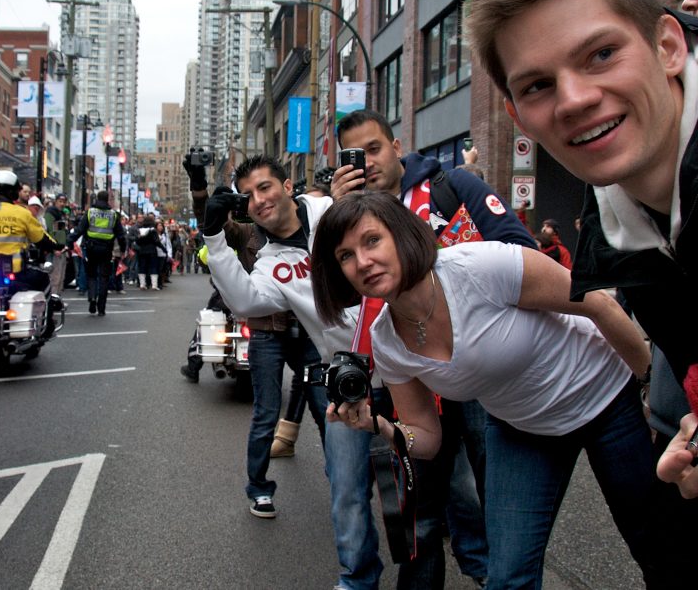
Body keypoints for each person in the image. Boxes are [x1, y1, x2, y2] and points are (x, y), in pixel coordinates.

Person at [465, 0, 698, 557]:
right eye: (538, 84)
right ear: (518, 117)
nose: (574, 99)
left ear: (668, 45)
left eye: (601, 54)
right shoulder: (611, 220)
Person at [312, 191, 658, 588]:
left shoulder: (480, 265)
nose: (363, 262)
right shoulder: (387, 342)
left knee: (656, 546)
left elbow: (598, 304)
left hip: (607, 400)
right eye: (345, 256)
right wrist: (377, 425)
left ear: (401, 235)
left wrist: (651, 394)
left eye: (372, 240)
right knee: (508, 578)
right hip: (522, 428)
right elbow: (426, 438)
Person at [332, 108, 537, 587]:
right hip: (402, 376)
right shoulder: (344, 217)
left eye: (376, 149)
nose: (368, 163)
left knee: (499, 498)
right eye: (355, 156)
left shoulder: (454, 188)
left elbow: (519, 252)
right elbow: (335, 299)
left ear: (398, 146)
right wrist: (335, 215)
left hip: (480, 373)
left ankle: (499, 574)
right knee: (419, 515)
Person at [202, 155, 380, 588]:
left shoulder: (329, 208)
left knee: (442, 484)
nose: (259, 200)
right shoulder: (268, 263)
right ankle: (357, 579)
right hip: (349, 375)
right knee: (347, 489)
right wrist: (212, 235)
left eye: (264, 187)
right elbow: (244, 302)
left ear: (285, 186)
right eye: (247, 195)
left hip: (410, 363)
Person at [0, 170, 57, 292]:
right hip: (17, 272)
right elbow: (42, 239)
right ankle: (46, 311)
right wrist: (56, 245)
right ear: (12, 191)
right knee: (43, 278)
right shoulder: (23, 214)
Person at [73, 190, 125, 316]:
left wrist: (70, 241)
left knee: (91, 275)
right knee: (104, 277)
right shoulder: (113, 215)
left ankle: (92, 298)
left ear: (97, 198)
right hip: (106, 249)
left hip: (91, 248)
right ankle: (101, 307)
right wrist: (123, 249)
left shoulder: (90, 212)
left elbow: (80, 229)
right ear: (107, 199)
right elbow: (121, 235)